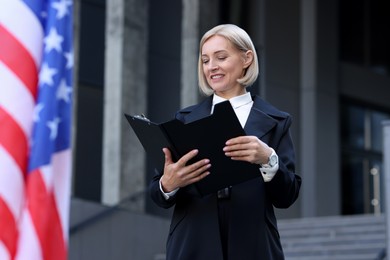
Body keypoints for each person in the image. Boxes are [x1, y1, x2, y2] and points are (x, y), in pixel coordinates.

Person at [149, 24, 301, 260]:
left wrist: (268, 159)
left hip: (253, 244)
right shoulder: (183, 119)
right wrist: (168, 184)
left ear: (246, 58)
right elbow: (157, 194)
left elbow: (287, 196)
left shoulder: (278, 121)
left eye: (221, 57)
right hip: (193, 243)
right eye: (206, 60)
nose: (212, 67)